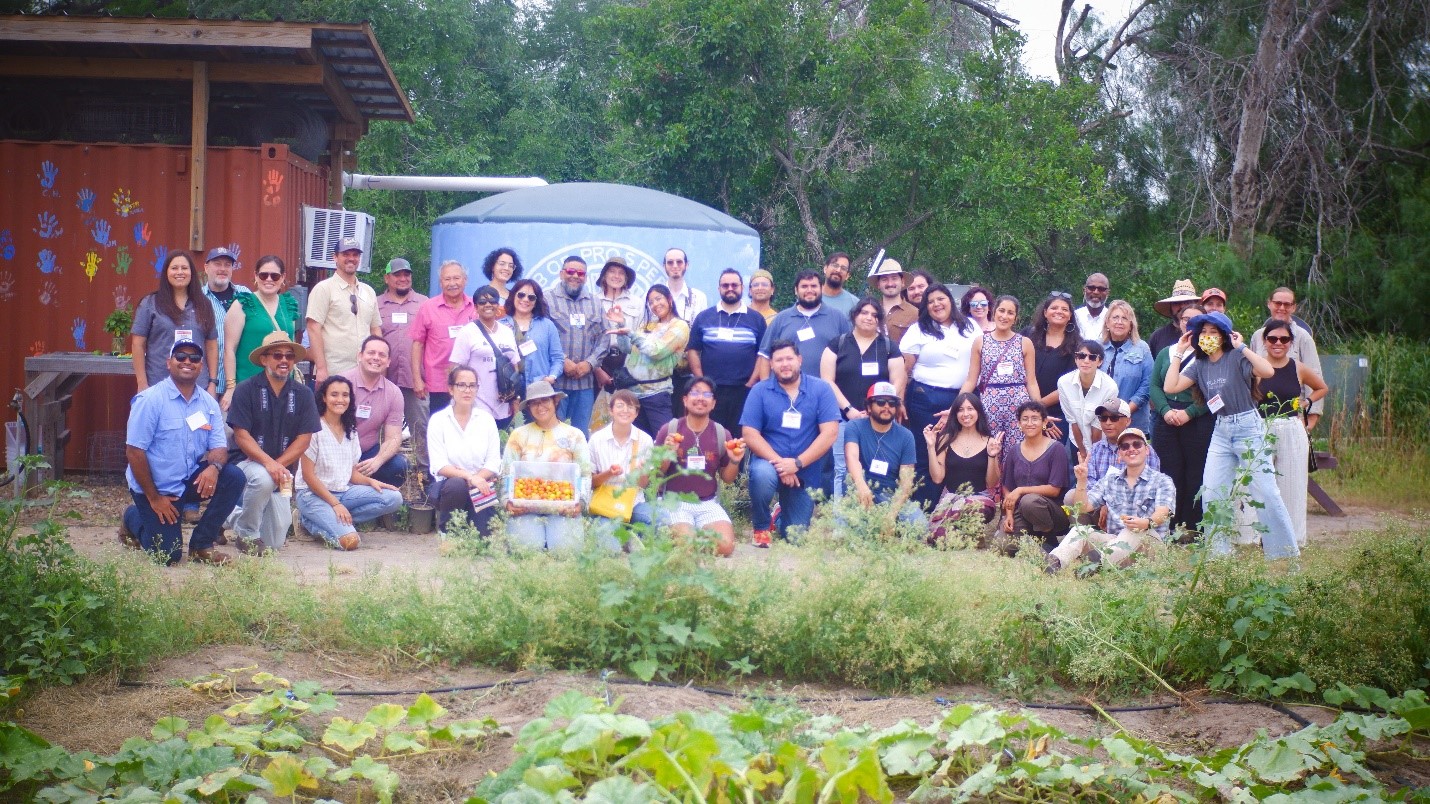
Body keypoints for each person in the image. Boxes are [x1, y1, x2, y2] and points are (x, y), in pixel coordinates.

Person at [1162, 310, 1300, 560]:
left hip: (1248, 427)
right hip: (1222, 430)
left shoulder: (1236, 355)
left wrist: (1243, 346)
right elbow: (1170, 387)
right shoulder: (1199, 364)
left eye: (1213, 332)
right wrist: (1180, 353)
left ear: (1224, 336)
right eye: (1203, 332)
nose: (1207, 336)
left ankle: (1284, 555)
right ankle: (1218, 556)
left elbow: (1268, 371)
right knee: (1212, 493)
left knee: (1267, 493)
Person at [119, 339, 242, 566]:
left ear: (201, 366)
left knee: (233, 477)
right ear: (169, 363)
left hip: (188, 479)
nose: (188, 362)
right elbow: (134, 452)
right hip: (157, 487)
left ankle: (201, 545)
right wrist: (154, 498)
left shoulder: (208, 403)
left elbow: (219, 447)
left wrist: (214, 469)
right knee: (167, 555)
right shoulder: (150, 400)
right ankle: (131, 517)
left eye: (194, 358)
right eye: (181, 357)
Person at [225, 332, 321, 555]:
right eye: (277, 355)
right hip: (245, 462)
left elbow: (304, 439)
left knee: (275, 542)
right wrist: (270, 465)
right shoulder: (245, 389)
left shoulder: (304, 394)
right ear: (264, 359)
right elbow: (241, 435)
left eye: (289, 356)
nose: (284, 361)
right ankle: (247, 535)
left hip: (281, 468)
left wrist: (278, 465)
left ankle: (229, 515)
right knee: (263, 478)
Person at [741, 340, 841, 546]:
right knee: (761, 475)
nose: (784, 364)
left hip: (804, 471)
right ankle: (761, 527)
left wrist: (796, 464)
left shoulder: (821, 389)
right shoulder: (760, 391)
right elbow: (750, 434)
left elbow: (830, 433)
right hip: (768, 464)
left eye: (789, 358)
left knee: (796, 538)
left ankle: (778, 515)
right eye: (779, 360)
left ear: (800, 360)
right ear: (771, 364)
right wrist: (782, 464)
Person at [295, 376, 403, 550]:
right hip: (312, 495)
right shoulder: (313, 428)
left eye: (345, 395)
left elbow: (351, 473)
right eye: (334, 395)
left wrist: (371, 481)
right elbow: (308, 476)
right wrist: (335, 504)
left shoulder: (350, 430)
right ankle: (308, 522)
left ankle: (334, 520)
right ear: (323, 397)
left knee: (393, 498)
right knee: (351, 542)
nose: (340, 400)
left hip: (343, 492)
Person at [1047, 427, 1176, 572]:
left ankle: (1096, 563)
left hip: (1151, 545)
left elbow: (1163, 512)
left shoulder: (1162, 480)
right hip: (1116, 543)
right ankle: (1054, 563)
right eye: (1125, 446)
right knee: (1080, 531)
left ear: (1147, 450)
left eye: (1137, 444)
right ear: (1119, 454)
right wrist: (1082, 481)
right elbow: (1082, 508)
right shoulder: (1109, 480)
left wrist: (1145, 523)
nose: (1131, 449)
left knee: (1134, 530)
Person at [899, 284, 977, 509]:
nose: (936, 304)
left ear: (950, 301)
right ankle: (922, 512)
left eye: (941, 299)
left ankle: (957, 511)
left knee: (960, 454)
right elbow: (905, 369)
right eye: (930, 301)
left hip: (963, 400)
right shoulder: (918, 329)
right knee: (926, 454)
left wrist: (958, 405)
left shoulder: (970, 326)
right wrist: (900, 399)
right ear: (925, 307)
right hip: (925, 400)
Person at [820, 299, 905, 497]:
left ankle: (874, 513)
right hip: (841, 417)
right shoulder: (838, 344)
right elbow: (827, 381)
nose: (869, 318)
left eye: (874, 315)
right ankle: (841, 520)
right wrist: (849, 409)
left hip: (878, 420)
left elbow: (898, 382)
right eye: (864, 313)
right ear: (854, 315)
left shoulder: (888, 347)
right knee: (842, 469)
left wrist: (878, 410)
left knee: (875, 467)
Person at [1257, 318, 1328, 547]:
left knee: (1293, 486)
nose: (1278, 343)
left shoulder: (1297, 367)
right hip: (1261, 427)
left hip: (1291, 426)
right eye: (1273, 338)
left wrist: (1307, 402)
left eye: (1284, 339)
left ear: (1290, 342)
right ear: (1264, 341)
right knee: (1262, 485)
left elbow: (1322, 387)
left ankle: (1292, 538)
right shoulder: (1255, 366)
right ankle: (1260, 536)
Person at [501, 380, 596, 551]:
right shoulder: (519, 435)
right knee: (526, 549)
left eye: (545, 401)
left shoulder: (574, 435)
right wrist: (507, 502)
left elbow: (585, 474)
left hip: (563, 505)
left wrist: (580, 503)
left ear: (555, 401)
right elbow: (506, 473)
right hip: (526, 505)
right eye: (534, 403)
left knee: (566, 550)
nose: (540, 407)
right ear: (528, 407)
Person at [654, 378, 745, 556]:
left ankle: (689, 539)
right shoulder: (670, 429)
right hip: (675, 503)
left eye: (707, 394)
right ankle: (686, 539)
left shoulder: (721, 433)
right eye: (695, 393)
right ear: (685, 400)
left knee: (726, 547)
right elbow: (656, 474)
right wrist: (667, 454)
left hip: (707, 503)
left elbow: (727, 478)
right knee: (686, 544)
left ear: (713, 403)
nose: (700, 398)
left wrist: (734, 460)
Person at [1150, 303, 1214, 535]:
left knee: (1196, 472)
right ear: (1178, 322)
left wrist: (1190, 413)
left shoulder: (1210, 353)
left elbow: (1215, 393)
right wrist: (1166, 410)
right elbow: (1155, 386)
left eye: (1197, 320)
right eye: (1186, 319)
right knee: (1169, 472)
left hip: (1197, 418)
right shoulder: (1166, 352)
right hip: (1166, 418)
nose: (1190, 323)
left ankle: (1194, 527)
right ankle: (1169, 526)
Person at [687, 269, 766, 435]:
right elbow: (693, 350)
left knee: (738, 438)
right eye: (725, 285)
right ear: (719, 289)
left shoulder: (756, 319)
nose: (730, 288)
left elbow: (762, 354)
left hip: (743, 390)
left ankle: (735, 462)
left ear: (742, 288)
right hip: (712, 390)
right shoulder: (704, 317)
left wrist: (751, 382)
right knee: (710, 435)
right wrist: (702, 379)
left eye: (734, 285)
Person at [426, 365, 502, 536]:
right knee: (456, 485)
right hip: (450, 487)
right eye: (461, 385)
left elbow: (493, 461)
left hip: (481, 485)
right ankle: (448, 534)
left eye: (472, 385)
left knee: (484, 539)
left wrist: (477, 479)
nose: (467, 390)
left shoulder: (486, 420)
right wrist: (470, 477)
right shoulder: (438, 420)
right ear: (451, 389)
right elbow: (439, 465)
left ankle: (472, 526)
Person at [132, 250, 219, 394]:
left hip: (197, 387)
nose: (180, 272)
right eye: (174, 268)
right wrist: (142, 383)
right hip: (158, 384)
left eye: (184, 268)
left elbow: (211, 346)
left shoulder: (204, 304)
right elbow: (138, 344)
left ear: (192, 273)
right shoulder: (150, 303)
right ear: (166, 273)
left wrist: (212, 383)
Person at [963, 295, 1038, 455]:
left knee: (1018, 449)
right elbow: (971, 380)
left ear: (1016, 318)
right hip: (990, 403)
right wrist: (957, 405)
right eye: (1001, 311)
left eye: (1010, 313)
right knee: (990, 446)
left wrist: (1040, 410)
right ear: (994, 312)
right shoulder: (980, 341)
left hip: (1018, 403)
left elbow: (1031, 381)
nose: (1005, 316)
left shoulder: (1025, 342)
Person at [222, 255, 299, 410]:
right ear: (256, 276)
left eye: (275, 276)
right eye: (263, 275)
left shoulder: (288, 305)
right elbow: (229, 348)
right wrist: (231, 387)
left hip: (282, 384)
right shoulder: (243, 304)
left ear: (282, 278)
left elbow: (291, 344)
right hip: (249, 383)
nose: (269, 279)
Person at [844, 381, 923, 528]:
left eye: (892, 403)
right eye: (880, 402)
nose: (887, 406)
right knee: (849, 529)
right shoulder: (854, 427)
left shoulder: (906, 436)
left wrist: (892, 514)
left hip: (891, 495)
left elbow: (906, 481)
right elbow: (852, 458)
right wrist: (862, 487)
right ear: (868, 406)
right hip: (859, 491)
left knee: (919, 527)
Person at [924, 392, 1001, 543]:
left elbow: (991, 483)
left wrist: (992, 456)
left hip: (980, 500)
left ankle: (962, 530)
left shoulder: (989, 441)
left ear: (978, 412)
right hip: (951, 498)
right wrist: (931, 447)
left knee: (972, 506)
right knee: (936, 539)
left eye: (970, 409)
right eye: (960, 410)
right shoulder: (946, 438)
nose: (965, 414)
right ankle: (964, 534)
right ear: (955, 414)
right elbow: (937, 477)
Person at [376, 257, 428, 478]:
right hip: (382, 381)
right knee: (376, 427)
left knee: (421, 427)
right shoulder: (375, 304)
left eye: (406, 274)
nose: (403, 278)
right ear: (387, 278)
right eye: (397, 274)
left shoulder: (424, 303)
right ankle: (377, 471)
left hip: (416, 380)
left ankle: (426, 474)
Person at [306, 236, 381, 382]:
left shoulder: (369, 291)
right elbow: (313, 328)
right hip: (334, 371)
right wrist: (321, 368)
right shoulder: (323, 289)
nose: (351, 258)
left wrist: (379, 366)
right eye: (345, 254)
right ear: (335, 257)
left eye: (355, 255)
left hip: (365, 372)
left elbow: (375, 329)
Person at [547, 255, 607, 436]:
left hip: (585, 385)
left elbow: (604, 337)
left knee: (580, 436)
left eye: (580, 273)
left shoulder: (595, 302)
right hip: (555, 383)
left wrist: (589, 363)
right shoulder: (546, 299)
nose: (575, 276)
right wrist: (562, 361)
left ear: (586, 277)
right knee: (553, 434)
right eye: (570, 271)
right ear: (561, 273)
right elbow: (541, 337)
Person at [998, 401, 1071, 550]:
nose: (1029, 423)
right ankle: (1032, 539)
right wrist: (1009, 514)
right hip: (1022, 511)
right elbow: (1008, 487)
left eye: (1035, 418)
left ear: (1044, 422)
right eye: (1025, 419)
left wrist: (1021, 490)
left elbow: (1054, 489)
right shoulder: (1014, 451)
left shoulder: (1056, 449)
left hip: (1052, 512)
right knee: (1004, 545)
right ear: (1019, 423)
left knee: (1029, 501)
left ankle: (1048, 538)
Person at [620, 284, 690, 436]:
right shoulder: (647, 326)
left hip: (657, 395)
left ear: (670, 299)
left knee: (664, 443)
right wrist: (621, 327)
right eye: (651, 302)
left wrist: (631, 334)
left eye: (658, 299)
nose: (655, 305)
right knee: (638, 445)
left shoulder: (680, 325)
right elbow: (627, 349)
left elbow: (657, 351)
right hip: (633, 396)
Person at [339, 336, 408, 489]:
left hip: (367, 454)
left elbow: (394, 438)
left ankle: (376, 504)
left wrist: (377, 461)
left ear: (388, 361)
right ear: (360, 356)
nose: (376, 358)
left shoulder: (394, 393)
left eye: (382, 355)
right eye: (371, 353)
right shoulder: (341, 382)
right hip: (337, 452)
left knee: (400, 466)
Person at [1250, 287, 1325, 430]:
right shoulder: (1257, 336)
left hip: (1293, 418)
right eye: (1278, 303)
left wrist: (1311, 417)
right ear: (1269, 304)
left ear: (1294, 307)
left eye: (1287, 304)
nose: (1282, 308)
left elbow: (1315, 377)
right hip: (1261, 417)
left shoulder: (1304, 338)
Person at [410, 260, 477, 413]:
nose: (452, 283)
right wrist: (417, 379)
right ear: (440, 283)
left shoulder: (476, 307)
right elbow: (417, 344)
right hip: (438, 381)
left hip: (470, 381)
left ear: (465, 280)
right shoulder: (428, 307)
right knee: (440, 427)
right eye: (447, 279)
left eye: (456, 278)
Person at [449, 286, 520, 428]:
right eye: (482, 302)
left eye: (492, 301)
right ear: (475, 307)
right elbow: (455, 369)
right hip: (476, 403)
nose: (488, 305)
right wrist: (459, 402)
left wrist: (515, 399)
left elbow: (515, 366)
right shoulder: (467, 332)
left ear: (498, 305)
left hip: (503, 404)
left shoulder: (507, 331)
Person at [758, 270, 852, 375]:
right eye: (804, 286)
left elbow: (849, 355)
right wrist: (767, 388)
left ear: (821, 288)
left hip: (826, 389)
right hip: (785, 389)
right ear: (796, 290)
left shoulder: (838, 318)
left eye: (813, 286)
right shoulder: (781, 319)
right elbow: (765, 356)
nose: (809, 290)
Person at [588, 390, 656, 534]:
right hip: (605, 502)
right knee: (609, 544)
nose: (625, 410)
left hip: (634, 502)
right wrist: (608, 474)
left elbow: (643, 485)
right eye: (620, 406)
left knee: (660, 520)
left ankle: (632, 535)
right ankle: (627, 535)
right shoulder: (596, 439)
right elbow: (591, 483)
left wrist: (642, 473)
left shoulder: (645, 439)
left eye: (630, 407)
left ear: (636, 413)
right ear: (611, 411)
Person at [1025, 292, 1077, 445]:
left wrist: (1038, 408)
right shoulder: (1028, 336)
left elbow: (1069, 384)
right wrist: (1032, 410)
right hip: (1024, 410)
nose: (1059, 311)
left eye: (1064, 309)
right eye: (1054, 308)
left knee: (1049, 459)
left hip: (1055, 416)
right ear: (1045, 312)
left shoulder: (1077, 346)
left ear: (1070, 316)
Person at [201, 246, 250, 397]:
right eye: (217, 264)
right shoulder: (197, 298)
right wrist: (211, 382)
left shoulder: (245, 295)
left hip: (242, 384)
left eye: (227, 265)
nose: (223, 269)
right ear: (206, 267)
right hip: (206, 385)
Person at [1099, 300, 1153, 433]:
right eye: (1115, 317)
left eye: (1124, 318)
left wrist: (1125, 412)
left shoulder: (1142, 348)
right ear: (1107, 322)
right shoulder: (1096, 348)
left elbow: (1148, 384)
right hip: (1100, 422)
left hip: (1134, 422)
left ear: (1131, 325)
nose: (1119, 322)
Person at [504, 278, 565, 396]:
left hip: (539, 388)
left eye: (531, 297)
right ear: (513, 296)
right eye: (521, 295)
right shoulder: (500, 325)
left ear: (537, 301)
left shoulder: (547, 325)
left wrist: (551, 377)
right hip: (508, 388)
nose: (525, 300)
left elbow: (557, 358)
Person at [1057, 340, 1118, 456]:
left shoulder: (1110, 387)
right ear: (1076, 359)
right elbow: (1072, 421)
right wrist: (1083, 452)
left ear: (1099, 362)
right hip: (1076, 441)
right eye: (1081, 356)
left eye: (1092, 357)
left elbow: (1098, 425)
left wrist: (1093, 456)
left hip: (1100, 442)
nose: (1086, 361)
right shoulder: (1064, 383)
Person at [1085, 397, 1162, 486]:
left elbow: (1152, 483)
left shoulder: (1144, 449)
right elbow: (1088, 481)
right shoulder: (1095, 449)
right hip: (1098, 498)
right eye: (1103, 418)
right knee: (1070, 496)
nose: (1108, 422)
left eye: (1114, 418)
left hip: (1134, 497)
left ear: (1128, 421)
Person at [595, 256, 643, 391]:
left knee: (626, 409)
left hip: (628, 364)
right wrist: (597, 369)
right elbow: (587, 340)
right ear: (604, 276)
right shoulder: (593, 301)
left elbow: (641, 337)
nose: (617, 276)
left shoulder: (637, 303)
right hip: (599, 364)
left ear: (626, 278)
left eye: (621, 273)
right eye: (612, 271)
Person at [867, 257, 917, 346]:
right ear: (878, 284)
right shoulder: (868, 311)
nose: (890, 284)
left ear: (902, 282)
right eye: (884, 279)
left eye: (894, 278)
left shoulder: (915, 314)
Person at [1148, 279, 1201, 358]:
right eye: (1177, 303)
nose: (1182, 306)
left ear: (1195, 305)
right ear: (1171, 306)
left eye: (1187, 302)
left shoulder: (1203, 334)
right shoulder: (1158, 337)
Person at [662, 247, 707, 323]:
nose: (675, 266)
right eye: (670, 262)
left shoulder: (699, 297)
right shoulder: (653, 297)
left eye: (679, 262)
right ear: (664, 266)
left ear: (687, 265)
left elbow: (702, 329)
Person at [820, 251, 858, 316]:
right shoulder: (810, 297)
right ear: (825, 269)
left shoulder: (855, 304)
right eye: (835, 265)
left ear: (847, 276)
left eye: (843, 268)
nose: (838, 270)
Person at [1074, 272, 1110, 340]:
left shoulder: (1113, 319)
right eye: (1091, 288)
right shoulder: (1073, 316)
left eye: (1101, 289)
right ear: (1084, 290)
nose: (1096, 292)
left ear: (1107, 293)